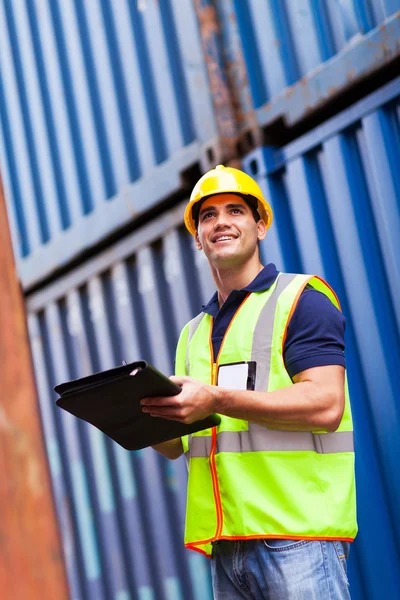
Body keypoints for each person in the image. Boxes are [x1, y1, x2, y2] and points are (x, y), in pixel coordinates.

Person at [141, 165, 357, 599]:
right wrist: (132, 416)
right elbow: (178, 445)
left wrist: (217, 398)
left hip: (297, 540)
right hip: (227, 548)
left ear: (260, 226)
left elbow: (326, 405)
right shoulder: (192, 334)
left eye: (235, 211)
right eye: (207, 216)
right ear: (197, 237)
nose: (220, 221)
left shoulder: (301, 299)